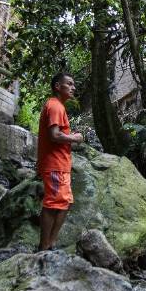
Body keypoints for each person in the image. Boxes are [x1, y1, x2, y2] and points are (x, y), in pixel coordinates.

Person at [36, 72, 84, 251]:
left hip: (58, 165)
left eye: (73, 84)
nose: (73, 87)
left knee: (64, 202)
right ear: (58, 86)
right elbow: (54, 136)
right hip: (55, 165)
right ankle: (45, 245)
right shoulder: (55, 106)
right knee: (54, 204)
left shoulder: (56, 106)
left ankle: (49, 243)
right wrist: (75, 138)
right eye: (69, 84)